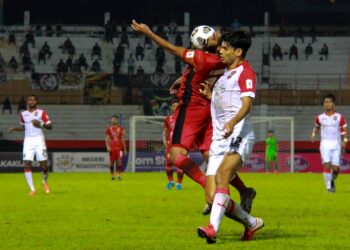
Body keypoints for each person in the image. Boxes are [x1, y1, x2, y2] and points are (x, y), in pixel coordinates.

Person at [131, 21, 255, 217]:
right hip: (210, 107)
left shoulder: (201, 58)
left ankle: (209, 187)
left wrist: (149, 33)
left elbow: (171, 48)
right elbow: (204, 73)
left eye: (215, 34)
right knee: (209, 156)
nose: (216, 35)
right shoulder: (225, 60)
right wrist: (185, 79)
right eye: (213, 34)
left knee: (176, 155)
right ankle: (243, 190)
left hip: (191, 108)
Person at [197, 30, 263, 244]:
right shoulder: (224, 75)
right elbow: (225, 104)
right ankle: (251, 223)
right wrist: (210, 96)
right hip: (219, 139)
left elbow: (246, 104)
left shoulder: (246, 72)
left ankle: (212, 230)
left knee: (224, 175)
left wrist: (233, 123)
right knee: (212, 197)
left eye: (225, 48)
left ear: (238, 51)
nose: (220, 50)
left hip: (239, 134)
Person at [8, 95, 52, 196]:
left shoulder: (42, 113)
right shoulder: (23, 114)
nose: (31, 101)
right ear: (28, 102)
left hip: (39, 141)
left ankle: (44, 182)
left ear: (37, 101)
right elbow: (24, 127)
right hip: (28, 142)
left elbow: (50, 126)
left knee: (44, 167)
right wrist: (14, 129)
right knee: (27, 164)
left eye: (33, 100)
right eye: (30, 100)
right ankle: (32, 189)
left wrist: (40, 124)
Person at [310, 94, 348, 193]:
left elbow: (344, 131)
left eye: (330, 102)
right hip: (325, 144)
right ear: (323, 104)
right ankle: (329, 188)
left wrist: (345, 141)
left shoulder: (339, 117)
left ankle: (331, 180)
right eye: (326, 102)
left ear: (333, 104)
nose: (328, 104)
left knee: (336, 170)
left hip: (336, 144)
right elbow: (317, 127)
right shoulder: (319, 117)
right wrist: (313, 134)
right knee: (326, 165)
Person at [163, 98, 184, 190]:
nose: (175, 107)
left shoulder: (183, 118)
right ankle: (171, 181)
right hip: (170, 145)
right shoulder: (168, 119)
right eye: (173, 106)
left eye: (177, 105)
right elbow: (166, 131)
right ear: (171, 107)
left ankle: (179, 183)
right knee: (168, 163)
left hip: (181, 144)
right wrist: (165, 141)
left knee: (180, 164)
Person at [105, 115, 127, 180]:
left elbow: (123, 139)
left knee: (120, 162)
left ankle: (118, 175)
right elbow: (107, 139)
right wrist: (107, 146)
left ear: (117, 120)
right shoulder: (108, 129)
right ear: (111, 120)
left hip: (119, 149)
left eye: (115, 119)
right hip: (112, 149)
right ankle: (112, 175)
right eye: (113, 119)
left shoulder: (121, 129)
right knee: (111, 163)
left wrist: (125, 149)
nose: (114, 120)